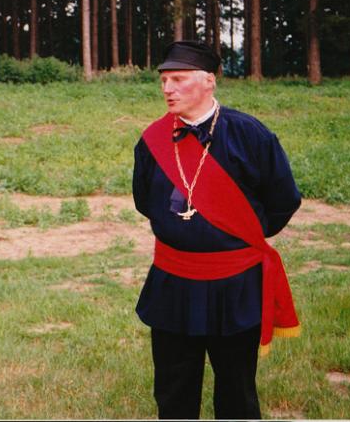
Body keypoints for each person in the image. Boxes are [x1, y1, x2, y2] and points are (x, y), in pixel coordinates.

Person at [132, 40, 302, 419]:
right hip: (173, 281)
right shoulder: (151, 141)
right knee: (174, 389)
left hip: (235, 283)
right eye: (163, 80)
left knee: (237, 390)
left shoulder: (250, 135)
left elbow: (283, 199)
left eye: (178, 79)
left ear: (208, 81)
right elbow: (145, 200)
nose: (167, 89)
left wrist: (233, 240)